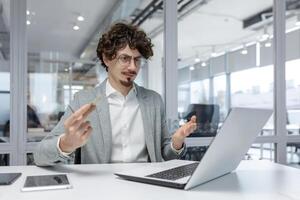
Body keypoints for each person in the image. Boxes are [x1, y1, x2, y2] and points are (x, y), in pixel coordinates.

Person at [34, 22, 197, 166]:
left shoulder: (153, 101)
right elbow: (39, 155)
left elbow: (166, 155)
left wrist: (176, 143)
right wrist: (66, 144)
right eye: (125, 58)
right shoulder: (83, 100)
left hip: (147, 187)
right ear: (106, 58)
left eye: (137, 60)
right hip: (101, 189)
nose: (133, 67)